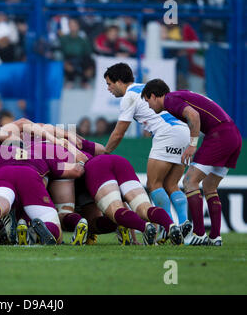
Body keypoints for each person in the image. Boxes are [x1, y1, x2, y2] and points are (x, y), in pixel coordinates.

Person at [141, 79, 243, 246]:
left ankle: (199, 234)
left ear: (153, 96)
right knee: (210, 186)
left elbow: (194, 116)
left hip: (219, 135)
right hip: (233, 135)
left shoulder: (170, 100)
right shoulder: (179, 96)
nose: (149, 107)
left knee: (189, 181)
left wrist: (192, 145)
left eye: (147, 101)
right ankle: (215, 237)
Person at [102, 63, 192, 243]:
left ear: (119, 81)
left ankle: (168, 228)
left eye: (109, 84)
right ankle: (184, 225)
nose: (109, 89)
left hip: (166, 133)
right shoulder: (145, 89)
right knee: (172, 184)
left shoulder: (129, 97)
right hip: (184, 132)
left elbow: (119, 132)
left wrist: (105, 152)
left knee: (153, 184)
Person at [84, 153, 184, 245]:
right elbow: (101, 149)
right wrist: (135, 239)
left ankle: (144, 227)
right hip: (120, 161)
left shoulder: (73, 152)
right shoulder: (82, 145)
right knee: (145, 208)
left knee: (115, 210)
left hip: (96, 167)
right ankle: (171, 225)